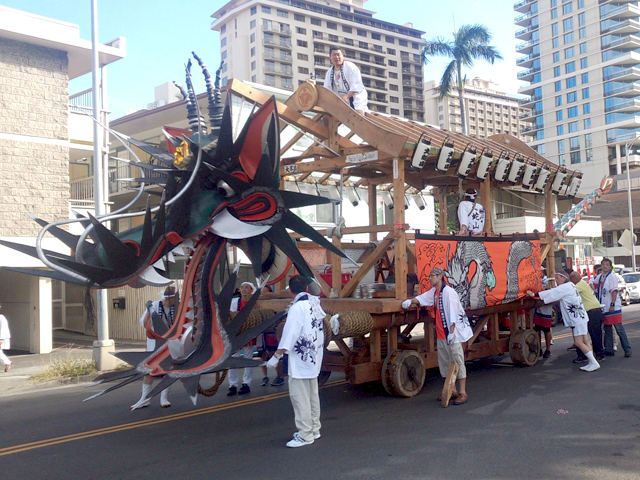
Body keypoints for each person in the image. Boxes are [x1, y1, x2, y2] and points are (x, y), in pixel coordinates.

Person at [402, 267, 473, 406]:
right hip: (441, 335)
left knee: (457, 362)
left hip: (452, 335)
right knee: (445, 363)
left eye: (432, 276)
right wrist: (411, 301)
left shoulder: (449, 293)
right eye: (430, 276)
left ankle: (463, 392)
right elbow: (423, 298)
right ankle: (451, 390)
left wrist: (452, 332)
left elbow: (453, 313)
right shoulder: (435, 293)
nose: (430, 278)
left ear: (440, 276)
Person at [273, 275, 325, 448]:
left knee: (299, 397)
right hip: (313, 356)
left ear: (290, 291)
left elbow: (290, 334)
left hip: (300, 358)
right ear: (307, 289)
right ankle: (314, 429)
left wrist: (277, 355)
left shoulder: (297, 308)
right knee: (312, 395)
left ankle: (305, 434)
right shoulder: (315, 303)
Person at [526, 272, 600, 372]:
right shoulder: (571, 285)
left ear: (563, 277)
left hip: (577, 318)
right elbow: (554, 293)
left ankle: (594, 362)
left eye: (557, 278)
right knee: (585, 340)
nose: (556, 280)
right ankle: (592, 361)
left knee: (578, 342)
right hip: (581, 316)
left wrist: (534, 294)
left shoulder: (565, 287)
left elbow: (552, 293)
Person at [132, 285, 178, 410]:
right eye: (175, 298)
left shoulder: (177, 308)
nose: (177, 300)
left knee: (167, 370)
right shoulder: (155, 305)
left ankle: (164, 397)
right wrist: (148, 310)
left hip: (170, 344)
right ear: (169, 298)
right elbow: (144, 324)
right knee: (149, 371)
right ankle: (145, 398)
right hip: (155, 344)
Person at [592, 258, 632, 358]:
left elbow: (614, 291)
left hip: (612, 306)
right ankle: (609, 349)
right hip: (603, 306)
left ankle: (627, 349)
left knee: (618, 328)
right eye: (603, 264)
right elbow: (593, 284)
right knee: (607, 328)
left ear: (610, 267)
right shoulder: (600, 276)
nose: (605, 266)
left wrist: (612, 304)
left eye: (607, 265)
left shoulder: (612, 277)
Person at [568, 270, 605, 363]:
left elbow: (569, 292)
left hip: (592, 311)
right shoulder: (582, 283)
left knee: (594, 334)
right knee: (584, 335)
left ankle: (599, 354)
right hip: (589, 311)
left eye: (570, 278)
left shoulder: (579, 285)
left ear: (574, 278)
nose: (569, 280)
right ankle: (586, 355)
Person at [228, 281, 257, 396]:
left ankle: (246, 383)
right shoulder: (234, 302)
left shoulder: (255, 303)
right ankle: (233, 384)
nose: (244, 289)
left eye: (247, 287)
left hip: (249, 332)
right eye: (242, 287)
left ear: (251, 290)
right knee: (233, 359)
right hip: (236, 333)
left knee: (248, 359)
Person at [323, 46, 368, 113]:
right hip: (340, 99)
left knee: (358, 113)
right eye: (334, 55)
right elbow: (327, 90)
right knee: (327, 116)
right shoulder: (329, 72)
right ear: (330, 57)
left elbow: (356, 85)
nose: (337, 57)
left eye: (338, 54)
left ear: (342, 56)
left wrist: (347, 96)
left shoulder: (350, 67)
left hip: (355, 96)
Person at [533, 274, 553, 359]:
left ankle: (548, 349)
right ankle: (539, 348)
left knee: (546, 330)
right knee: (537, 329)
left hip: (546, 309)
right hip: (538, 309)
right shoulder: (536, 279)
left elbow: (546, 290)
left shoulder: (545, 279)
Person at [0, 306, 12, 372]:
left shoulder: (1, 317)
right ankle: (7, 362)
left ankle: (7, 362)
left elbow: (3, 328)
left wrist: (1, 338)